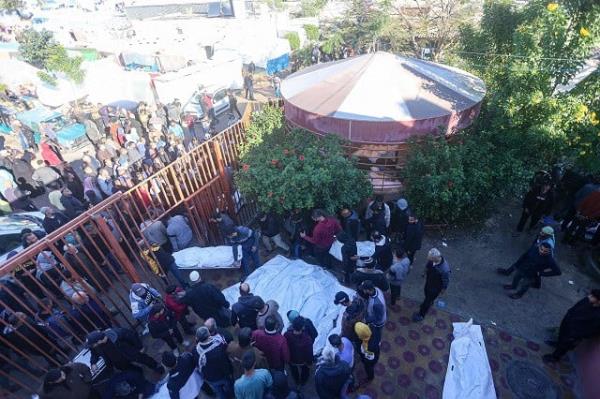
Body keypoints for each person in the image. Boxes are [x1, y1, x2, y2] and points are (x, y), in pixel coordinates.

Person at [543, 290, 600, 362]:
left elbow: (593, 330)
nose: (589, 296)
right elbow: (576, 307)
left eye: (592, 296)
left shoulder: (597, 315)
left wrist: (578, 335)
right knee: (562, 336)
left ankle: (555, 357)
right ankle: (557, 344)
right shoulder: (587, 301)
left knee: (565, 345)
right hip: (568, 323)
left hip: (575, 333)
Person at [86, 328, 163, 375]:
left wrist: (140, 347)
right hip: (119, 362)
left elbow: (131, 335)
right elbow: (94, 353)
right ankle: (139, 374)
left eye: (93, 344)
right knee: (131, 370)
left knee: (144, 359)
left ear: (99, 341)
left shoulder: (117, 333)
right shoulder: (96, 346)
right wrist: (93, 363)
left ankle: (156, 366)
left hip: (130, 353)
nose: (93, 346)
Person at [195, 326, 234, 399]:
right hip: (223, 376)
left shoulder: (196, 350)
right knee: (229, 388)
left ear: (197, 338)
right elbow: (225, 364)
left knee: (219, 392)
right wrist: (229, 373)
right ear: (209, 335)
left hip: (210, 378)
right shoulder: (218, 347)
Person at [412, 248, 450, 322]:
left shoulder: (444, 269)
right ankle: (429, 301)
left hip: (435, 288)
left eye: (431, 259)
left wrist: (443, 289)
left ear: (435, 258)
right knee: (426, 293)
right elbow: (428, 265)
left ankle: (421, 315)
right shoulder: (432, 260)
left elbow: (446, 281)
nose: (429, 260)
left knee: (427, 301)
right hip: (429, 282)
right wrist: (424, 272)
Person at [284, 316, 313, 387]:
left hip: (292, 359)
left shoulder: (287, 335)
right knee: (305, 372)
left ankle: (297, 381)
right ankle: (303, 381)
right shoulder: (307, 339)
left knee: (294, 372)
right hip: (303, 361)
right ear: (302, 327)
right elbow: (309, 353)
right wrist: (309, 362)